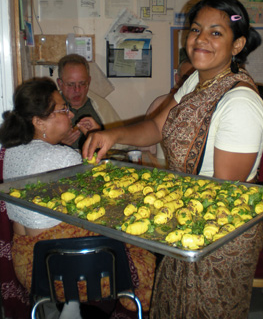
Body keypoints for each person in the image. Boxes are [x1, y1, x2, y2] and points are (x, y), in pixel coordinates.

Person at [82, 0, 263, 318]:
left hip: (218, 236)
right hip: (187, 220)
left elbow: (222, 194)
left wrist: (157, 207)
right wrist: (113, 135)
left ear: (237, 45)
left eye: (216, 32)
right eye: (195, 30)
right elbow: (156, 125)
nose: (200, 40)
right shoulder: (197, 79)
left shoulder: (241, 104)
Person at [0, 77, 155, 318]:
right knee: (144, 250)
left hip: (29, 267)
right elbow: (108, 201)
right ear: (39, 120)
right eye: (63, 109)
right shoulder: (61, 158)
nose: (71, 114)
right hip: (69, 270)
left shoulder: (12, 151)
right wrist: (96, 136)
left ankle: (72, 308)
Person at [57, 54, 122, 150]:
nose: (77, 90)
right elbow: (35, 148)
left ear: (89, 81)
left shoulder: (102, 106)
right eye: (71, 84)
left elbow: (122, 144)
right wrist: (58, 143)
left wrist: (101, 138)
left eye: (82, 83)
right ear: (60, 84)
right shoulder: (49, 109)